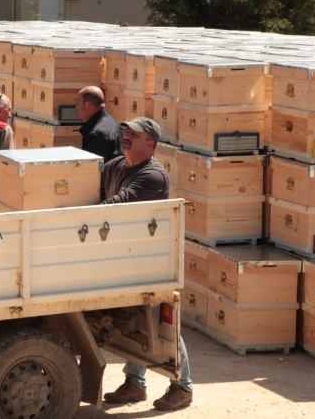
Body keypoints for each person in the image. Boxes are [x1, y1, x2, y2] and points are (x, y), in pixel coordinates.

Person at [101, 116, 194, 411]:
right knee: (137, 321)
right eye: (126, 131)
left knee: (159, 322)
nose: (126, 136)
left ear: (150, 144)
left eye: (135, 134)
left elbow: (119, 204)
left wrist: (80, 213)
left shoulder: (153, 176)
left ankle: (182, 387)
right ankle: (134, 383)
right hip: (127, 255)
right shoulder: (115, 166)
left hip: (152, 260)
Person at [76, 85, 123, 163]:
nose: (76, 106)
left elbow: (93, 169)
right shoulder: (108, 123)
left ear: (89, 105)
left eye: (78, 103)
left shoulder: (99, 134)